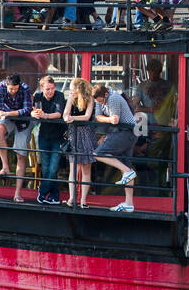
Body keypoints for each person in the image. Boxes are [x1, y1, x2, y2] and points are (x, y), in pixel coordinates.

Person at [91, 83, 139, 211]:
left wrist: (106, 119)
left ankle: (128, 172)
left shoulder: (113, 98)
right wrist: (107, 119)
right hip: (123, 132)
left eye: (101, 101)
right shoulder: (99, 98)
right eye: (98, 102)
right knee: (126, 167)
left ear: (106, 94)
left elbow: (115, 120)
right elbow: (98, 116)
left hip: (127, 132)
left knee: (98, 154)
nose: (100, 104)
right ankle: (129, 204)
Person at [0, 73, 33, 203]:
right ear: (6, 84)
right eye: (11, 89)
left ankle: (17, 193)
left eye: (15, 88)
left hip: (23, 121)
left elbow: (27, 110)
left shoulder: (25, 88)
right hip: (8, 117)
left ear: (19, 85)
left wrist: (9, 113)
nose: (13, 91)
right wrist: (1, 113)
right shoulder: (0, 87)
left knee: (20, 155)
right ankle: (5, 167)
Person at [30, 75, 67, 205]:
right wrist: (33, 114)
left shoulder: (59, 96)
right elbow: (33, 111)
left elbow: (59, 114)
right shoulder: (38, 97)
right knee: (46, 168)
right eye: (47, 89)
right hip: (44, 136)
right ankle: (55, 196)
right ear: (42, 88)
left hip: (58, 137)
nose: (50, 91)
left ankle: (42, 191)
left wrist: (45, 115)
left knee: (53, 168)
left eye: (52, 88)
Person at [64, 78, 97, 207]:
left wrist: (73, 118)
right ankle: (72, 198)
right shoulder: (71, 98)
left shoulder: (89, 99)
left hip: (86, 134)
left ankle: (83, 200)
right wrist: (69, 103)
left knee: (86, 169)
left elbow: (87, 116)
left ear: (79, 89)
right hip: (73, 134)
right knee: (73, 169)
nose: (71, 91)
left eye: (73, 89)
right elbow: (65, 114)